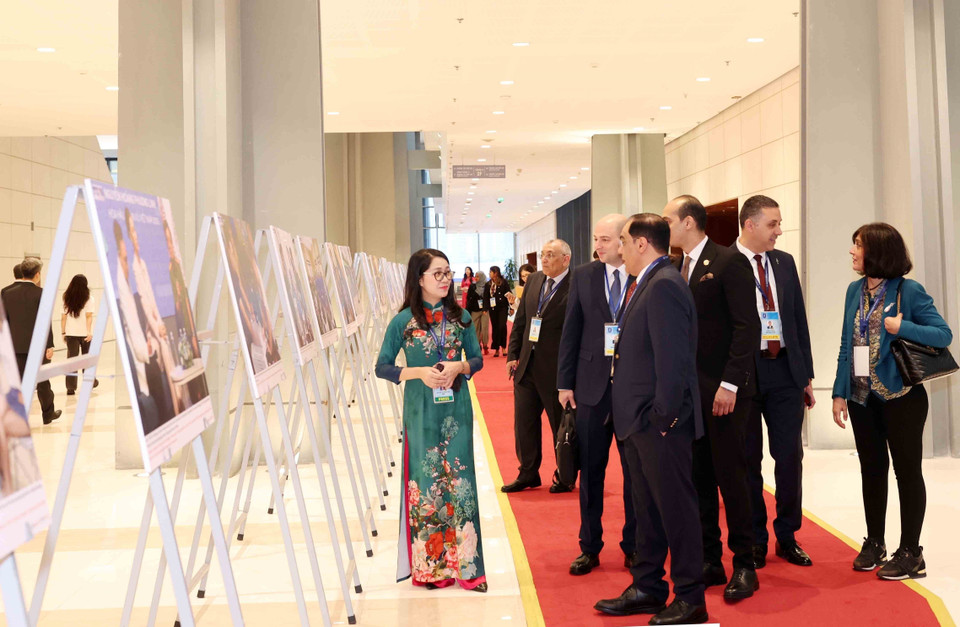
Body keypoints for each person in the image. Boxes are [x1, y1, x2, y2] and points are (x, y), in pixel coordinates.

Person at [594, 213, 706, 625]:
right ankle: (649, 586)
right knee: (648, 512)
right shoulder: (648, 284)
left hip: (659, 426)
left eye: (623, 240)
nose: (617, 248)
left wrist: (662, 418)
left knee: (676, 510)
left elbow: (673, 361)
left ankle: (690, 597)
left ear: (642, 244)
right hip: (639, 423)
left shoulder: (663, 287)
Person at [832, 223, 952, 580]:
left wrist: (903, 328)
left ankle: (912, 551)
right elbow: (845, 345)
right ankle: (876, 542)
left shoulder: (908, 290)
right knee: (871, 469)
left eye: (858, 245)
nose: (852, 252)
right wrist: (840, 391)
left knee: (907, 472)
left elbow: (943, 334)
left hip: (902, 398)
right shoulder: (854, 291)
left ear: (878, 252)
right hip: (861, 398)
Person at [662, 195, 761, 600]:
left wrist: (730, 384)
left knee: (731, 478)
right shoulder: (675, 267)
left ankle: (745, 563)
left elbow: (746, 327)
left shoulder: (728, 261)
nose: (664, 225)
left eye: (668, 219)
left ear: (688, 222)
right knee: (698, 478)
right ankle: (709, 558)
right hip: (689, 396)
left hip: (722, 394)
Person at [374, 248, 487, 592]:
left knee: (461, 481)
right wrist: (418, 372)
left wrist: (460, 366)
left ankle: (469, 568)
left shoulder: (462, 317)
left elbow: (478, 359)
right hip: (421, 410)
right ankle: (432, 569)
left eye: (448, 272)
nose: (445, 279)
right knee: (426, 483)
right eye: (437, 273)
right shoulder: (403, 321)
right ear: (419, 278)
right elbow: (382, 366)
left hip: (457, 409)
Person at [735, 195, 816, 569]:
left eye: (780, 223)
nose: (779, 231)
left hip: (785, 372)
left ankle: (787, 535)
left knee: (789, 457)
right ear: (749, 225)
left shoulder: (784, 263)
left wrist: (806, 375)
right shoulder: (726, 265)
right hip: (746, 375)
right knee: (748, 460)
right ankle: (753, 540)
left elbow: (797, 320)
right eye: (773, 224)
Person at [557, 214, 638, 576]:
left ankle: (635, 545)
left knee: (636, 476)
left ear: (624, 240)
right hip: (590, 389)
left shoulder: (643, 276)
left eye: (606, 239)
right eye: (596, 239)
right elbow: (570, 331)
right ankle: (589, 546)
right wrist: (564, 382)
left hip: (634, 392)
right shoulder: (584, 276)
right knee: (591, 473)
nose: (598, 246)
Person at [502, 239, 572, 493]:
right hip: (526, 367)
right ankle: (528, 473)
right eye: (542, 254)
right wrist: (512, 355)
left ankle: (565, 475)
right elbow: (520, 321)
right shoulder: (533, 281)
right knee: (524, 424)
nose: (543, 259)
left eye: (550, 255)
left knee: (559, 426)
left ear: (565, 259)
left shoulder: (576, 285)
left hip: (556, 370)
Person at [1, 257, 61, 425]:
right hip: (37, 347)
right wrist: (49, 344)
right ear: (37, 275)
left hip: (14, 346)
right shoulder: (41, 293)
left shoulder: (6, 292)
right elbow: (45, 321)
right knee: (42, 381)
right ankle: (48, 414)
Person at [61, 274, 100, 395]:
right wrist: (89, 332)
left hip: (71, 333)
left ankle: (70, 388)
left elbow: (63, 317)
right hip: (85, 335)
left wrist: (63, 332)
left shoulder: (66, 297)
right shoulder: (89, 298)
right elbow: (89, 317)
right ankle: (90, 382)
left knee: (71, 361)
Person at [483, 266, 511, 357]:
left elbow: (509, 294)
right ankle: (496, 349)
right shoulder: (488, 284)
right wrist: (485, 308)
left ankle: (503, 347)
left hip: (503, 307)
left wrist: (511, 307)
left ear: (496, 273)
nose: (489, 274)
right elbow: (486, 297)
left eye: (491, 272)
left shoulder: (503, 282)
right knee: (495, 327)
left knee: (502, 326)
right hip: (493, 309)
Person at [466, 270, 489, 354]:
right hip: (475, 310)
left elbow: (489, 298)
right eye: (475, 276)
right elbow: (469, 298)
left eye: (478, 276)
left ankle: (485, 344)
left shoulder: (487, 286)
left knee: (484, 328)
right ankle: (477, 345)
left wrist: (485, 308)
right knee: (475, 329)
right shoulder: (472, 286)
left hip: (485, 310)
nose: (476, 278)